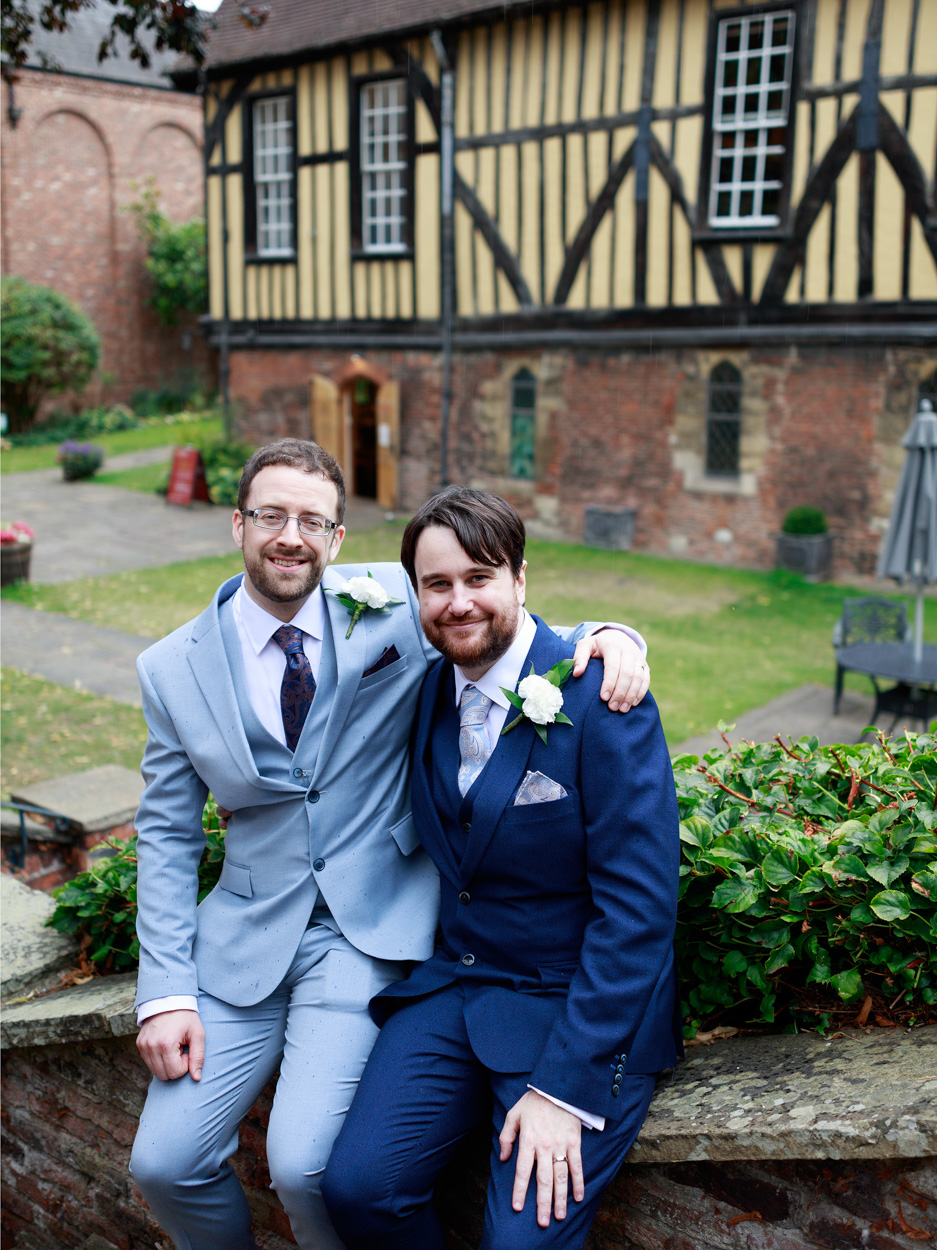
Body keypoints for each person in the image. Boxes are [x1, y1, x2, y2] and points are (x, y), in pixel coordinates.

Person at [128, 439, 652, 1250]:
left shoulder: (384, 605)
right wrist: (164, 990)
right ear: (238, 523)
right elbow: (162, 833)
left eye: (313, 520)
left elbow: (496, 614)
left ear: (338, 540)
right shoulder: (169, 669)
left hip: (366, 933)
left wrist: (615, 635)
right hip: (242, 939)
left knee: (309, 1171)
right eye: (270, 514)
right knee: (162, 1164)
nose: (290, 536)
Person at [321, 486, 682, 1250]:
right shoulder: (425, 687)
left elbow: (639, 914)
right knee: (356, 1193)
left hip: (575, 1009)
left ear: (519, 579)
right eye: (436, 584)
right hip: (456, 986)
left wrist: (565, 1086)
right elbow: (303, 582)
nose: (458, 602)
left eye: (478, 578)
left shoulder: (601, 698)